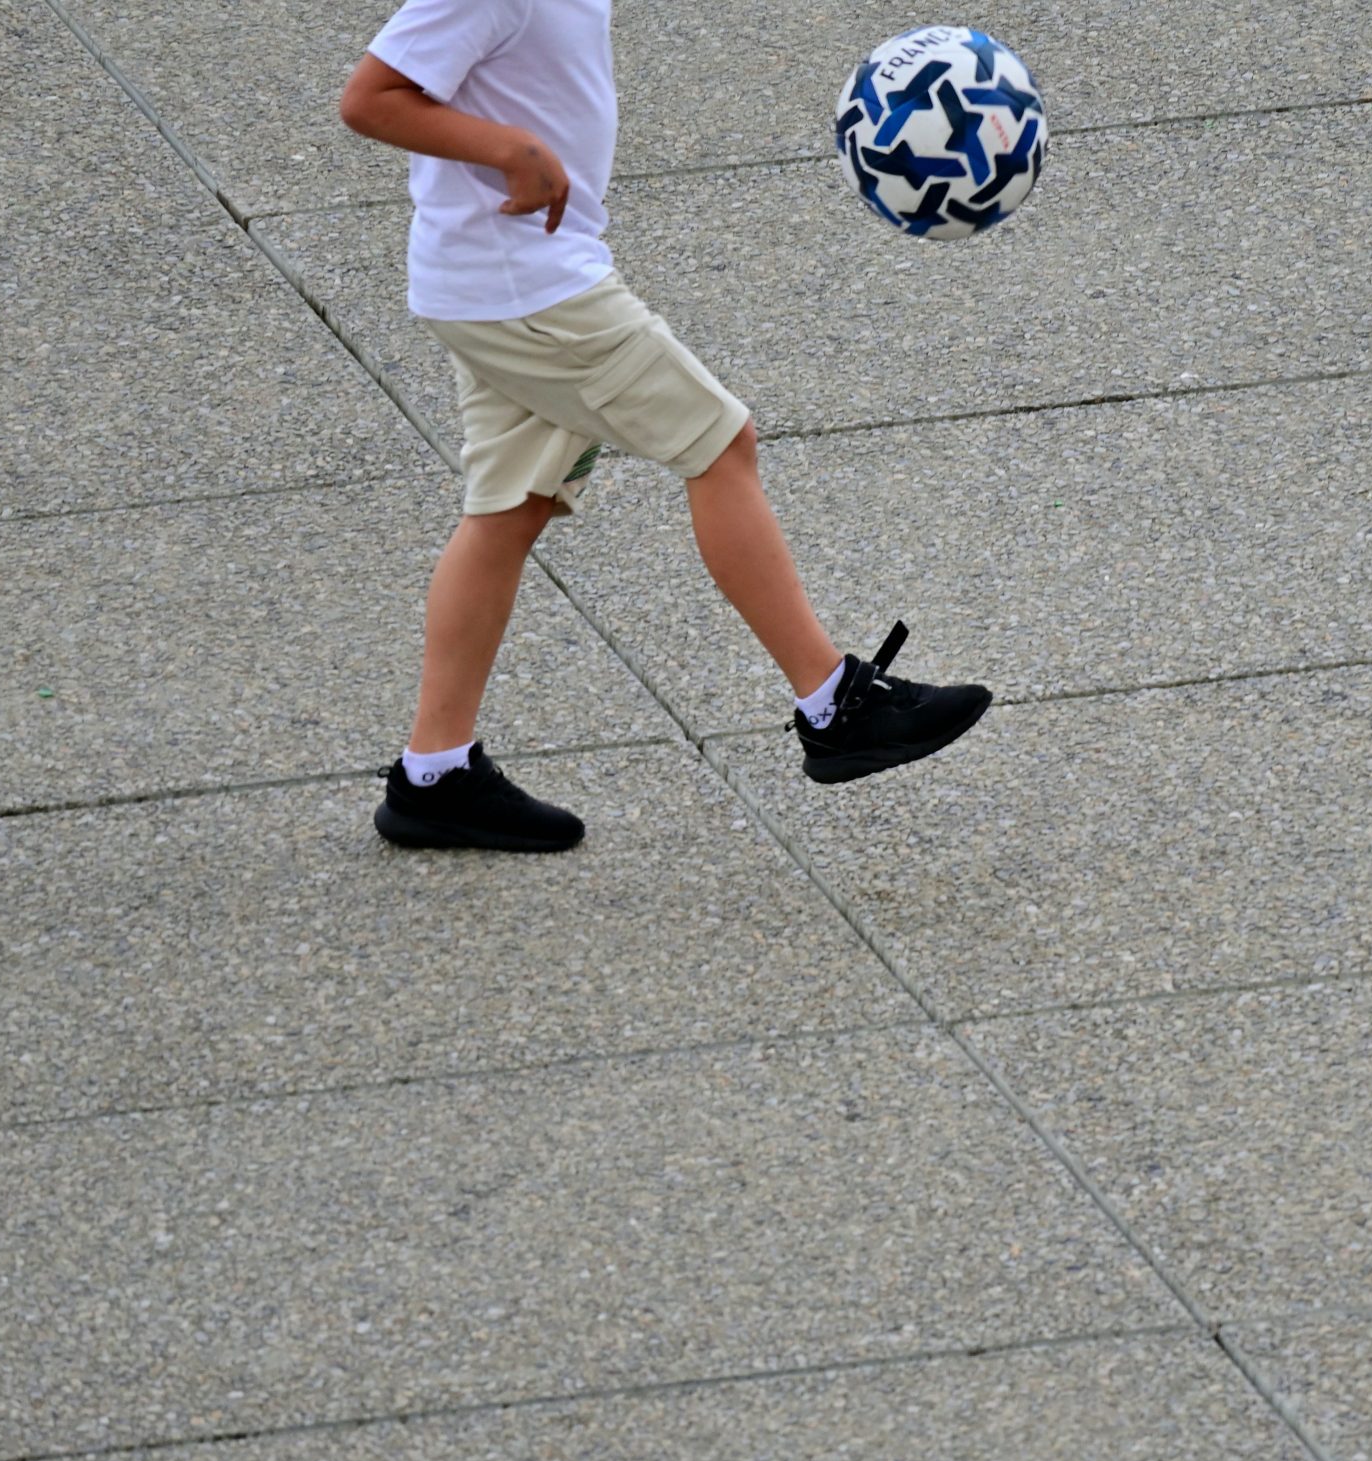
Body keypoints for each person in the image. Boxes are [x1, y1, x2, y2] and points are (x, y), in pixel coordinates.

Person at [340, 0, 990, 852]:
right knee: (720, 444)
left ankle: (434, 775)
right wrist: (513, 150)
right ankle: (834, 704)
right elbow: (371, 98)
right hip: (532, 292)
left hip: (495, 284)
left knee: (508, 510)